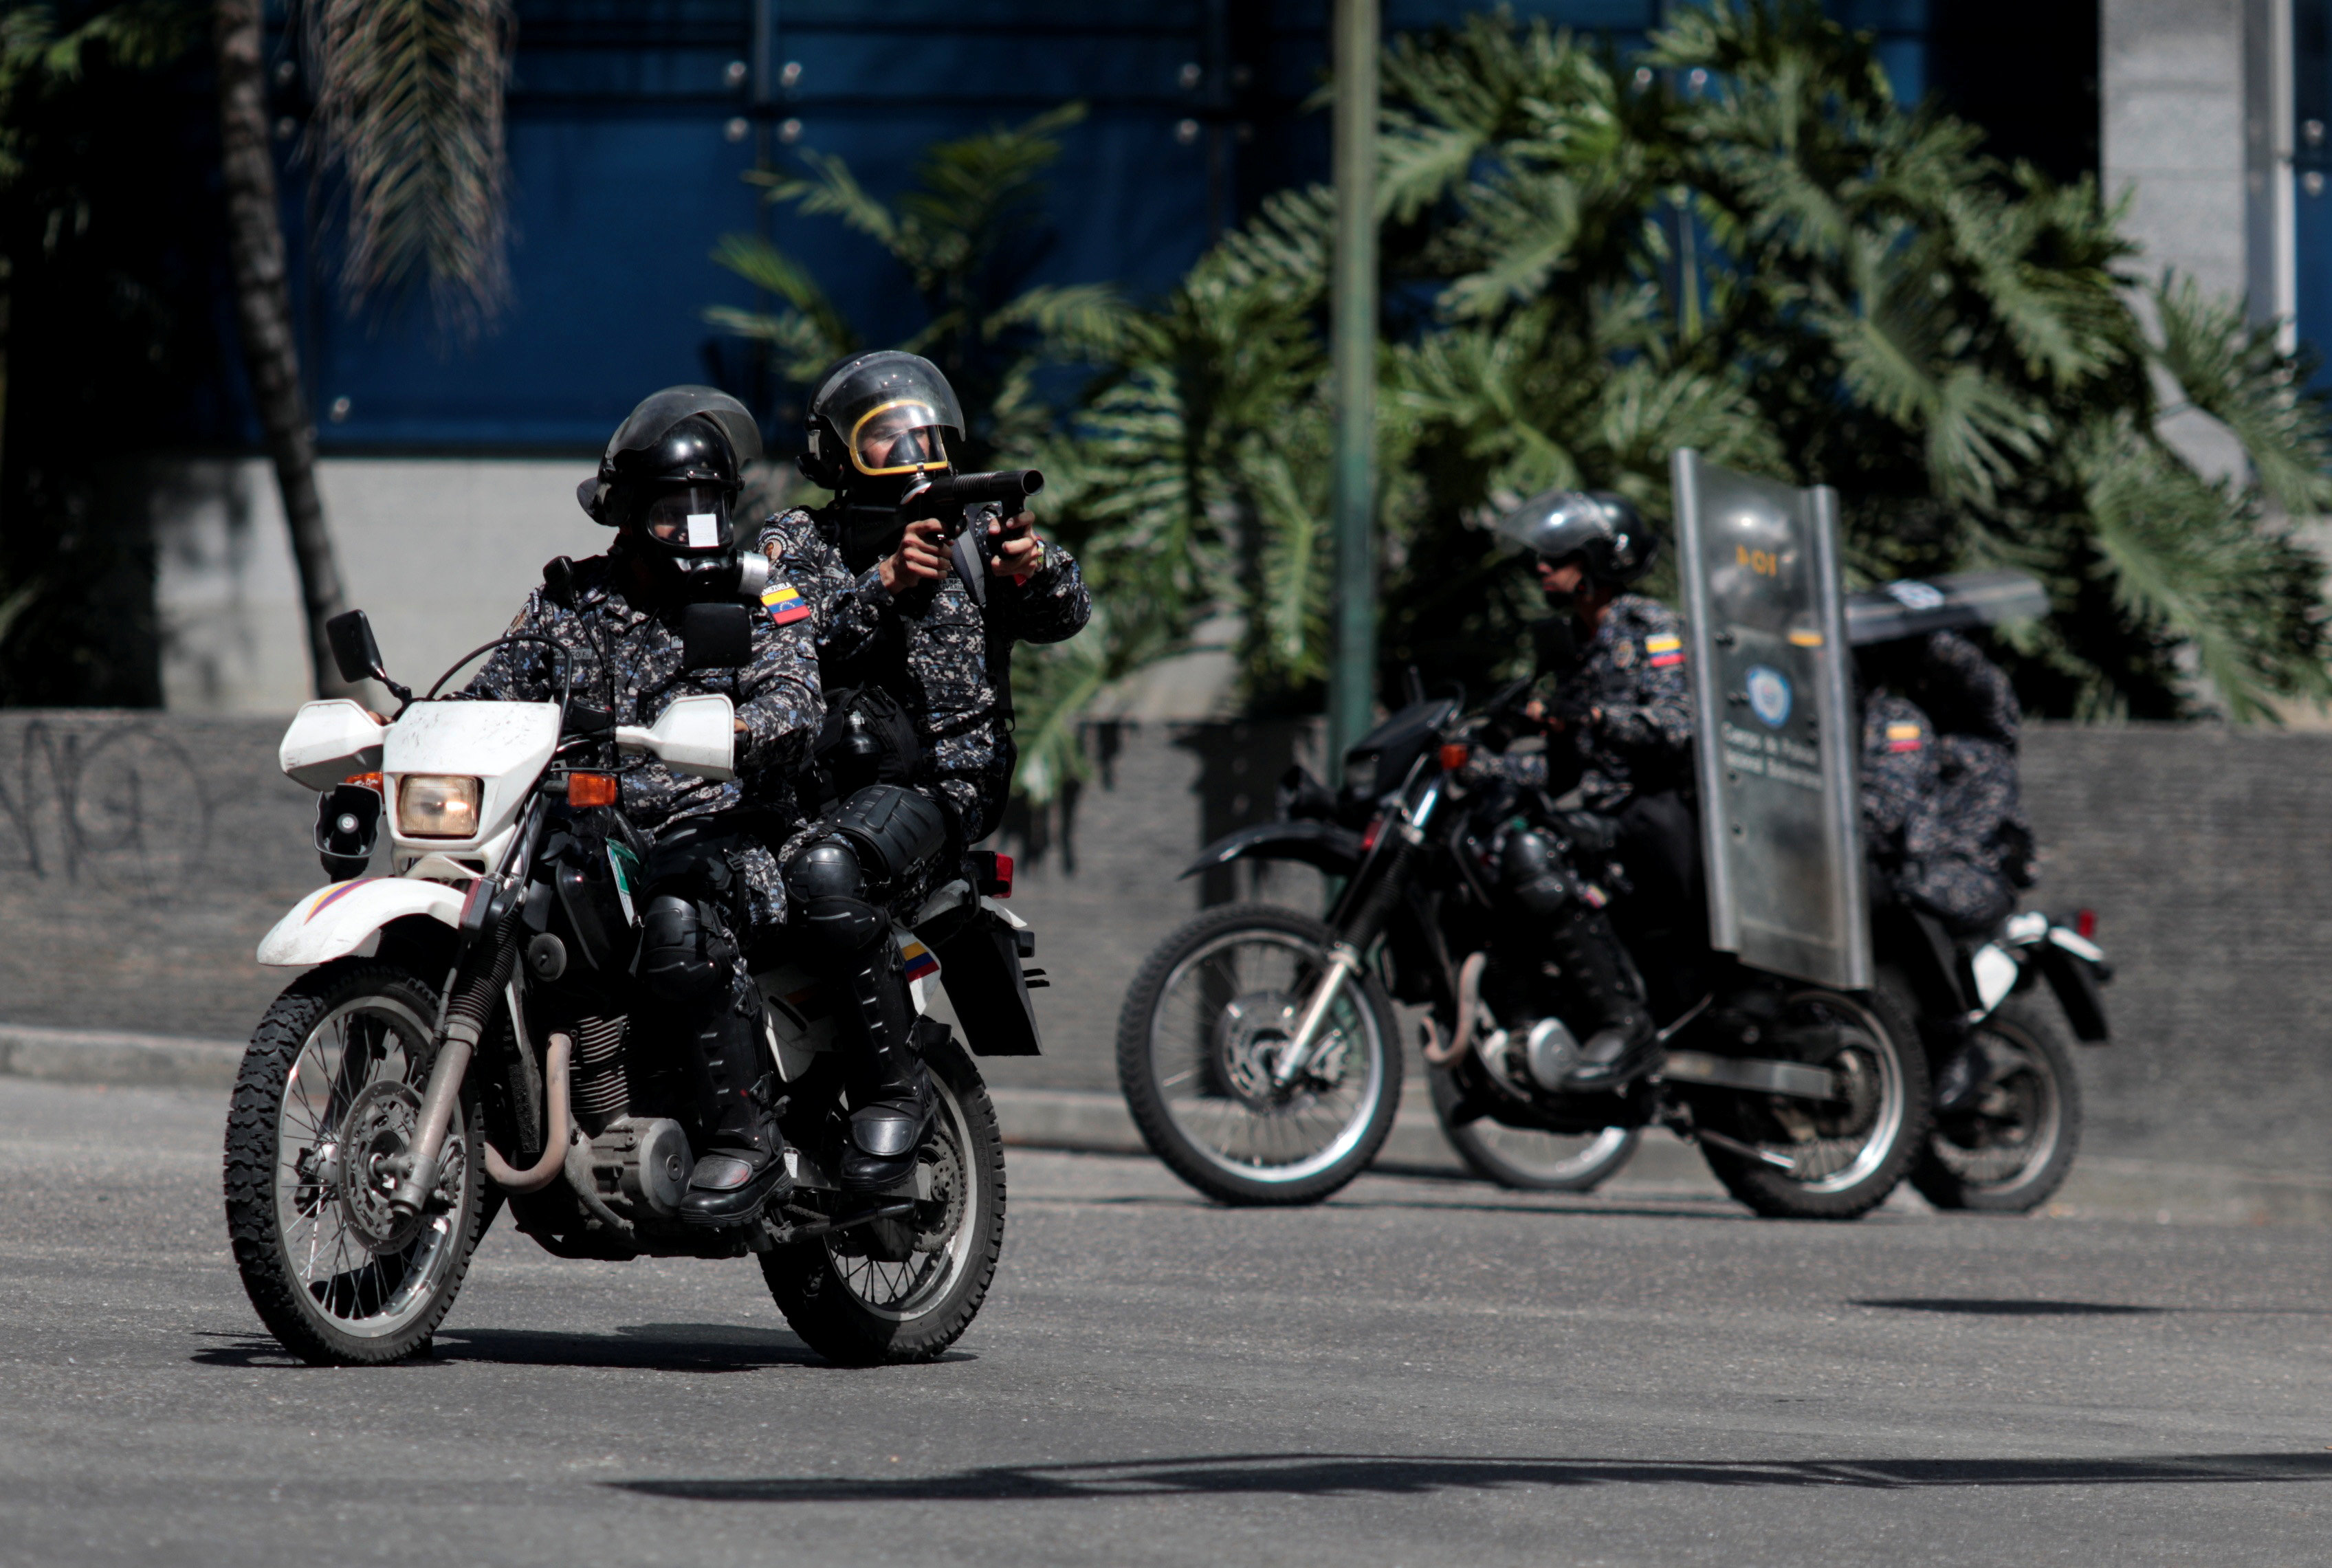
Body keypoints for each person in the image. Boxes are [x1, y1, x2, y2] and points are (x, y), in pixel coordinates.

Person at [461, 385, 823, 1223]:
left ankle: (745, 1138)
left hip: (728, 833)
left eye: (709, 511)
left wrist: (734, 730)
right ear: (626, 514)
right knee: (508, 906)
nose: (694, 531)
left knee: (675, 914)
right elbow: (492, 692)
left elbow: (796, 701)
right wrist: (410, 722)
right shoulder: (569, 603)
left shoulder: (759, 595)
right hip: (588, 832)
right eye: (671, 514)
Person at [757, 351, 1090, 1191]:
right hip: (809, 786)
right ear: (837, 452)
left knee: (825, 872)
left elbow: (1065, 615)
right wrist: (883, 583)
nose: (909, 448)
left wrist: (1033, 566)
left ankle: (891, 1093)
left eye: (923, 431)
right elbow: (781, 646)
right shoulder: (795, 540)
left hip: (941, 788)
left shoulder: (974, 536)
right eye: (882, 436)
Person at [1463, 488, 1695, 1090]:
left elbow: (1676, 726)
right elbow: (1563, 771)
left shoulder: (1651, 628)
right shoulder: (1572, 649)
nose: (1541, 566)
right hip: (1600, 812)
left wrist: (1592, 720)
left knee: (1536, 854)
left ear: (1601, 562)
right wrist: (1476, 767)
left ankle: (1625, 1021)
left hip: (1655, 815)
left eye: (1558, 555)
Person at [1858, 629, 2037, 935]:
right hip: (1939, 874)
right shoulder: (1974, 739)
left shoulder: (1909, 723)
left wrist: (1917, 636)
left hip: (1962, 877)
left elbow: (1887, 805)